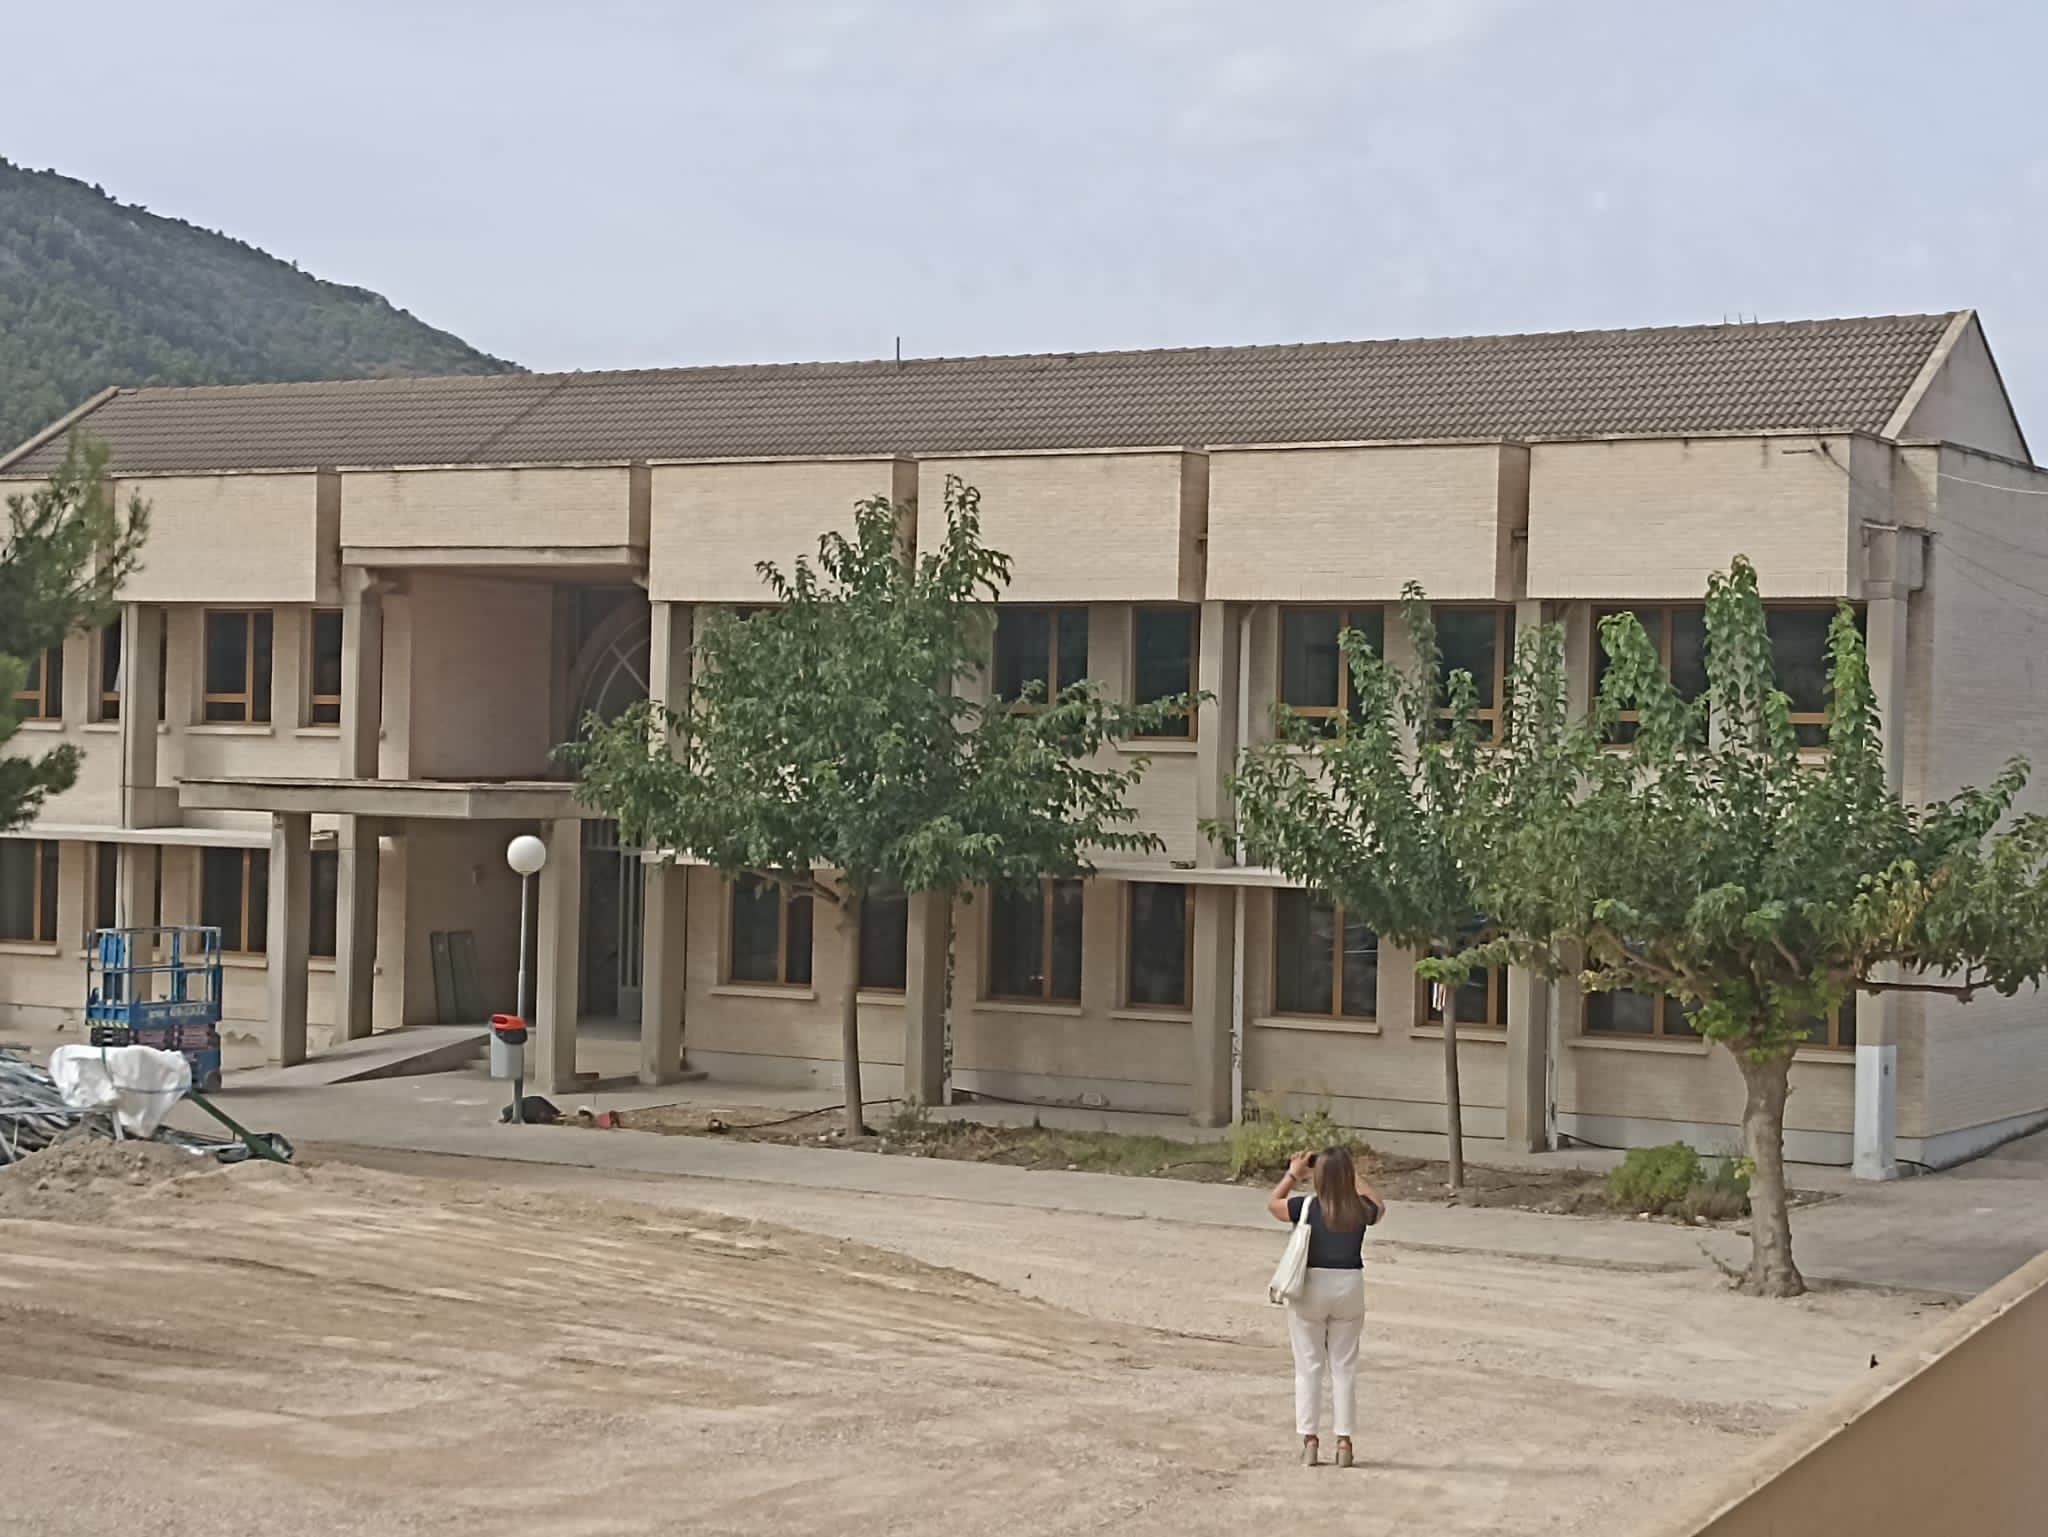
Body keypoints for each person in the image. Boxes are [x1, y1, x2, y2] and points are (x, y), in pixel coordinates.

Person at [1267, 1145, 1386, 1467]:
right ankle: (1344, 1442)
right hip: (1349, 1286)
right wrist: (1350, 1175)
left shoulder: (1306, 1206)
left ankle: (1310, 1441)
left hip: (1311, 1287)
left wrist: (1294, 1173)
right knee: (1343, 1367)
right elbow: (1379, 1206)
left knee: (1309, 1365)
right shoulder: (1359, 1209)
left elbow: (1273, 1203)